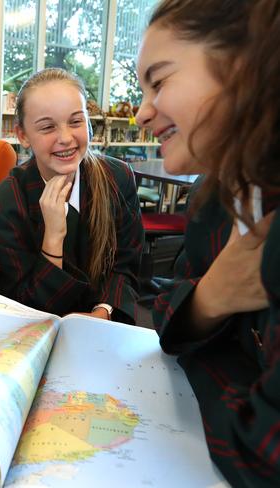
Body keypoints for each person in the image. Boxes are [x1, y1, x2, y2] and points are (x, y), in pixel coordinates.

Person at [135, 0, 280, 485]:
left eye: (159, 81)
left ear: (245, 63)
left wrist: (196, 336)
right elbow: (163, 310)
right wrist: (214, 295)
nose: (141, 112)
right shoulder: (214, 198)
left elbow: (260, 452)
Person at [0, 68, 143, 323]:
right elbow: (27, 303)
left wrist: (103, 312)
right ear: (23, 135)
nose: (66, 138)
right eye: (47, 127)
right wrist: (53, 238)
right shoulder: (6, 203)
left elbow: (127, 264)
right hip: (41, 328)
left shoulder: (118, 177)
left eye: (76, 121)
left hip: (108, 323)